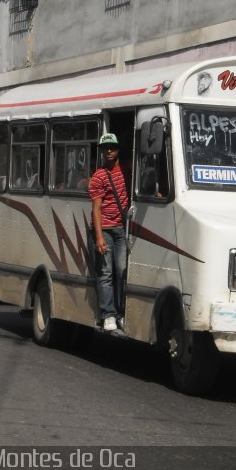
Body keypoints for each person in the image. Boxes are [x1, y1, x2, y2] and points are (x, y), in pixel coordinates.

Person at [89, 133, 130, 332]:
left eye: (112, 147)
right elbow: (96, 209)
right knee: (105, 274)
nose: (109, 151)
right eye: (105, 148)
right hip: (104, 230)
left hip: (121, 229)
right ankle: (108, 315)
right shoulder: (98, 176)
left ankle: (120, 313)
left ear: (118, 149)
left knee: (122, 271)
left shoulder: (127, 170)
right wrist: (98, 237)